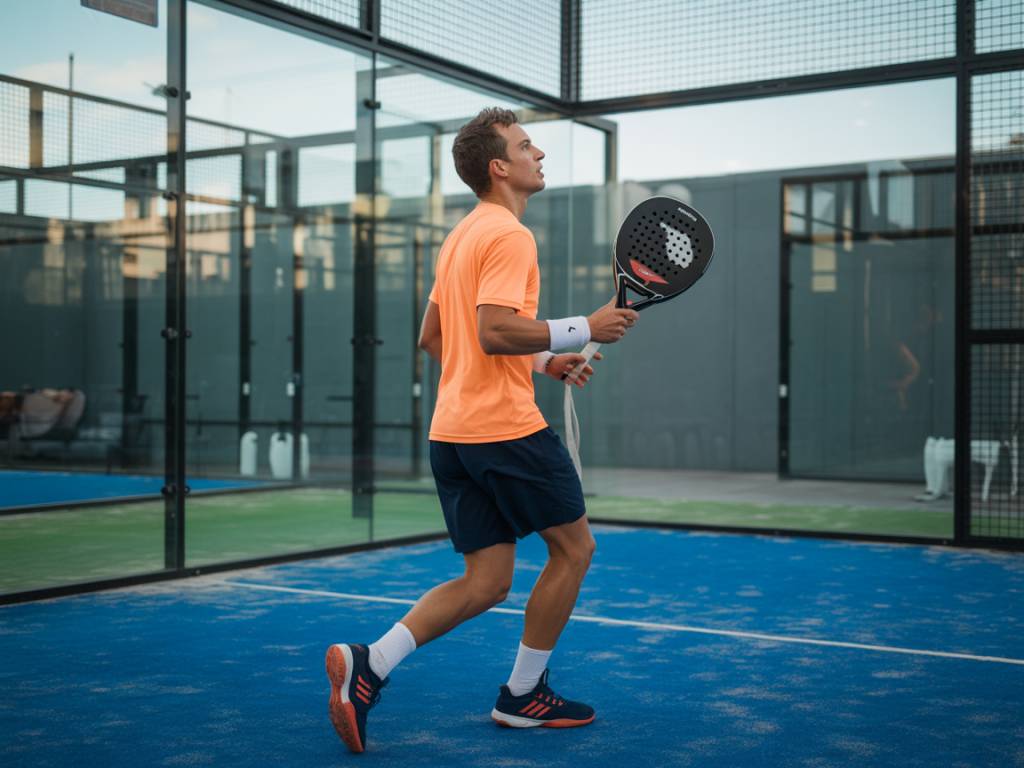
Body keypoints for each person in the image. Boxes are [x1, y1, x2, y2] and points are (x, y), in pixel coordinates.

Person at [325, 107, 639, 753]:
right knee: (574, 551)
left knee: (486, 582)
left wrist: (544, 361)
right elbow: (493, 329)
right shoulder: (510, 237)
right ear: (500, 166)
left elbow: (435, 336)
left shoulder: (461, 236)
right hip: (504, 432)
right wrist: (583, 327)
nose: (540, 154)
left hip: (452, 435)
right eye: (527, 146)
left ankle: (369, 665)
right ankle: (525, 696)